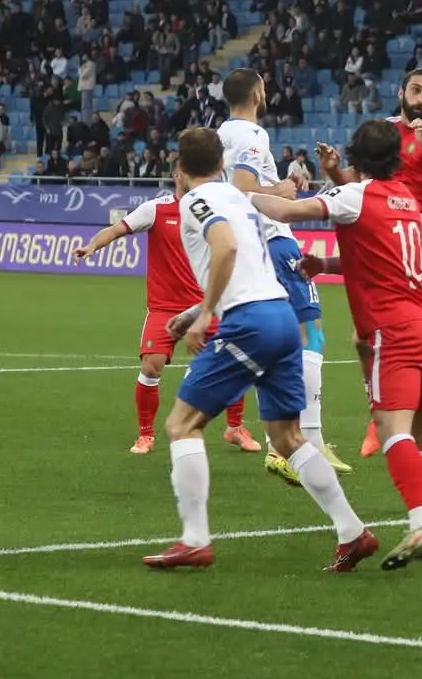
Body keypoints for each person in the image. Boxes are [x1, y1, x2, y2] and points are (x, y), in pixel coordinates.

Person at [144, 129, 376, 572]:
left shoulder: (196, 201)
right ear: (222, 164)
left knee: (181, 425)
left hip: (249, 322)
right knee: (287, 437)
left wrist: (206, 313)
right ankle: (352, 532)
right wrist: (197, 309)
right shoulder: (239, 198)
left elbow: (226, 248)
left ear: (180, 170)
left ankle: (194, 540)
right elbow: (248, 260)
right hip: (281, 317)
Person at [252, 120, 422, 572]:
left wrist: (237, 194)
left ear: (355, 157)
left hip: (392, 328)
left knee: (391, 430)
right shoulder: (407, 198)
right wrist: (325, 262)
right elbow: (393, 257)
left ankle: (421, 521)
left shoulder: (354, 197)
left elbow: (285, 212)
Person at [317, 68, 422, 458]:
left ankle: (402, 423)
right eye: (416, 90)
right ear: (401, 92)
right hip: (378, 225)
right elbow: (355, 180)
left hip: (418, 231)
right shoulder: (381, 131)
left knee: (421, 332)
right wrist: (333, 169)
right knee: (362, 339)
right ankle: (379, 411)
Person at [73, 187, 265, 456]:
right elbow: (117, 229)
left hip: (204, 306)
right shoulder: (155, 209)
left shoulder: (213, 211)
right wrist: (93, 244)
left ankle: (235, 428)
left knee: (233, 360)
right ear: (177, 175)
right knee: (151, 367)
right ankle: (145, 435)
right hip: (164, 309)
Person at [218, 68, 342, 476]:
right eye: (265, 87)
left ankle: (279, 444)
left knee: (275, 342)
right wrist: (283, 190)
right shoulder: (253, 135)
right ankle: (309, 442)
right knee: (312, 333)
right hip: (272, 239)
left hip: (245, 248)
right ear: (256, 93)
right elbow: (241, 191)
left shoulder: (220, 134)